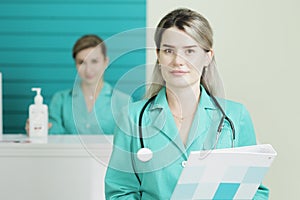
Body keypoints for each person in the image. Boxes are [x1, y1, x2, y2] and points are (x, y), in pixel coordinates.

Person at [105, 8, 269, 199]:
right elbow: (120, 192)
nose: (177, 61)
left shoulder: (236, 117)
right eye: (168, 51)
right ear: (158, 55)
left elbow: (254, 192)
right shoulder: (132, 117)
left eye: (189, 51)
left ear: (208, 56)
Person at [26, 34, 131, 135]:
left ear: (106, 62)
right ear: (75, 64)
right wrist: (38, 130)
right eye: (81, 62)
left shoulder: (124, 102)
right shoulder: (60, 100)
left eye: (94, 61)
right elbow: (52, 135)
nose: (88, 69)